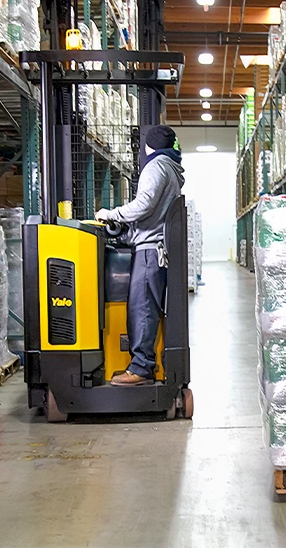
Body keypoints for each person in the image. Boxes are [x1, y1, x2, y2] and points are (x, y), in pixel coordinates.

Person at [94, 125, 185, 387]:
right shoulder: (171, 168)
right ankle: (143, 363)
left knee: (142, 309)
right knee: (145, 309)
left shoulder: (157, 166)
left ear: (149, 146)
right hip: (153, 246)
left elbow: (144, 205)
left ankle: (141, 368)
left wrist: (112, 214)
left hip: (149, 250)